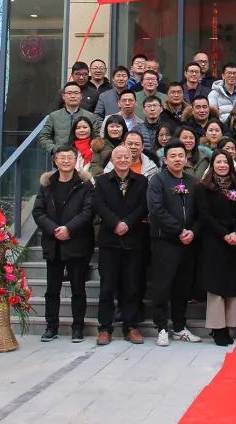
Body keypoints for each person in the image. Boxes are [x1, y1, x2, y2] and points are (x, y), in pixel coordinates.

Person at [32, 145, 94, 343]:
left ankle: (78, 328)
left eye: (69, 157)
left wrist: (69, 229)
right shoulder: (46, 184)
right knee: (52, 290)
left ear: (76, 160)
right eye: (61, 158)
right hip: (54, 244)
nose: (66, 161)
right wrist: (54, 229)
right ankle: (51, 327)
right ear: (55, 161)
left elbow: (88, 212)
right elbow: (38, 211)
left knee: (78, 289)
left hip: (78, 243)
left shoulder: (85, 184)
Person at [147, 144, 203, 346]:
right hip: (165, 241)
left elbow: (201, 212)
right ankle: (161, 327)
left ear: (186, 159)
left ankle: (180, 327)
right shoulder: (158, 180)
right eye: (173, 156)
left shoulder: (193, 182)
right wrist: (179, 230)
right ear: (165, 159)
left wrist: (193, 231)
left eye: (181, 155)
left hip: (188, 242)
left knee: (182, 286)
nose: (178, 159)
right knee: (163, 285)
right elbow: (156, 209)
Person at [93, 145, 148, 345]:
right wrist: (115, 223)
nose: (123, 160)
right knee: (107, 287)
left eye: (127, 157)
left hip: (134, 241)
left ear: (132, 159)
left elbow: (144, 206)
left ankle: (131, 327)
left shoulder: (141, 181)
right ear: (112, 160)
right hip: (109, 241)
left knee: (131, 287)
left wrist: (128, 223)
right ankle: (105, 328)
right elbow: (99, 205)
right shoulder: (102, 181)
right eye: (119, 157)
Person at [193, 150, 236, 346]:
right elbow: (205, 216)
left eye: (226, 162)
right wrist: (224, 234)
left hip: (234, 241)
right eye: (218, 162)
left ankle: (229, 325)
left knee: (231, 284)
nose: (222, 165)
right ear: (212, 165)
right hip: (214, 240)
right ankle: (217, 328)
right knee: (215, 285)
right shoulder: (203, 188)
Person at [39, 83, 99, 157]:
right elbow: (43, 136)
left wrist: (90, 150)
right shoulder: (54, 116)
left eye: (76, 93)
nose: (73, 96)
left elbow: (97, 136)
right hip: (60, 157)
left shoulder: (90, 116)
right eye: (69, 93)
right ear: (63, 96)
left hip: (84, 157)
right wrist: (55, 149)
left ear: (81, 96)